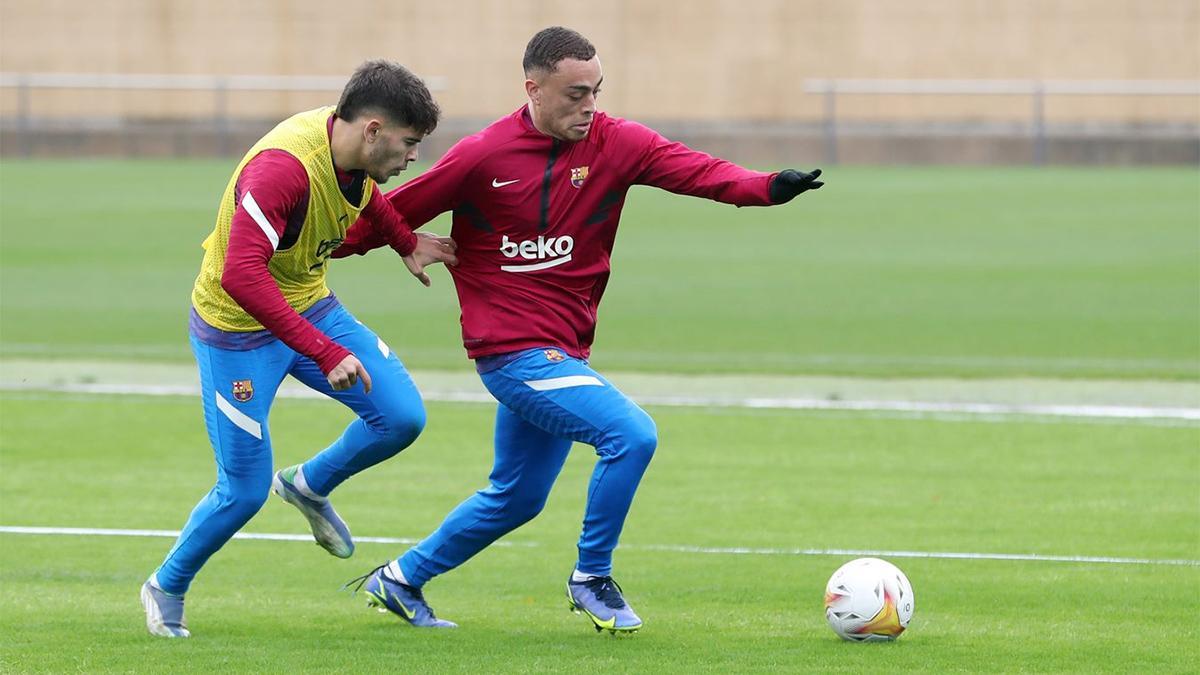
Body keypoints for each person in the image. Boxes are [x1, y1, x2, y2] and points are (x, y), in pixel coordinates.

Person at [335, 27, 823, 633]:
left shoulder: (618, 143)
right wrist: (334, 247)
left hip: (563, 351)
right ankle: (591, 577)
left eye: (595, 91)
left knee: (516, 497)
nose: (588, 106)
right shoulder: (482, 156)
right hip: (511, 353)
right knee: (632, 436)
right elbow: (378, 217)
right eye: (573, 94)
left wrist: (769, 187)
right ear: (532, 89)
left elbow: (701, 173)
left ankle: (400, 579)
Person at [140, 60, 457, 638]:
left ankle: (308, 484)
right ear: (373, 129)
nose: (414, 156)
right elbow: (241, 273)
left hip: (310, 308)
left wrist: (405, 241)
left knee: (401, 418)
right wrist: (325, 351)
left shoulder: (352, 155)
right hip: (236, 333)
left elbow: (365, 197)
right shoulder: (282, 171)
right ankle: (167, 584)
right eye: (409, 143)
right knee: (242, 492)